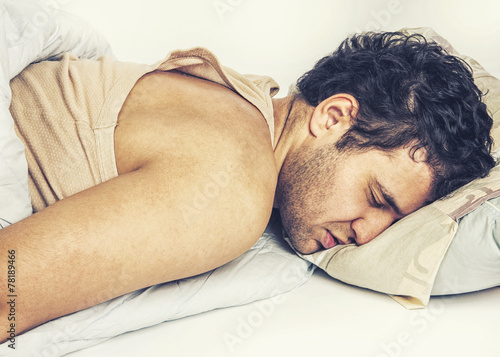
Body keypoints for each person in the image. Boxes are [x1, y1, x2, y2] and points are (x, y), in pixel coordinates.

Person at [0, 31, 495, 341]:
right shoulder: (233, 186)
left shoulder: (229, 101)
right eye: (376, 198)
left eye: (392, 220)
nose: (367, 235)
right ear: (334, 116)